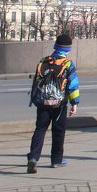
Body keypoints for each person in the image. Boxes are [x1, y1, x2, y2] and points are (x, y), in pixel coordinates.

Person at [27, 33, 81, 173]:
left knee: (40, 129)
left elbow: (37, 81)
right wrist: (74, 103)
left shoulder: (44, 61)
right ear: (68, 49)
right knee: (58, 131)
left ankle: (33, 158)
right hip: (59, 104)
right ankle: (56, 160)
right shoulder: (68, 64)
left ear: (55, 46)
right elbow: (72, 85)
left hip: (43, 102)